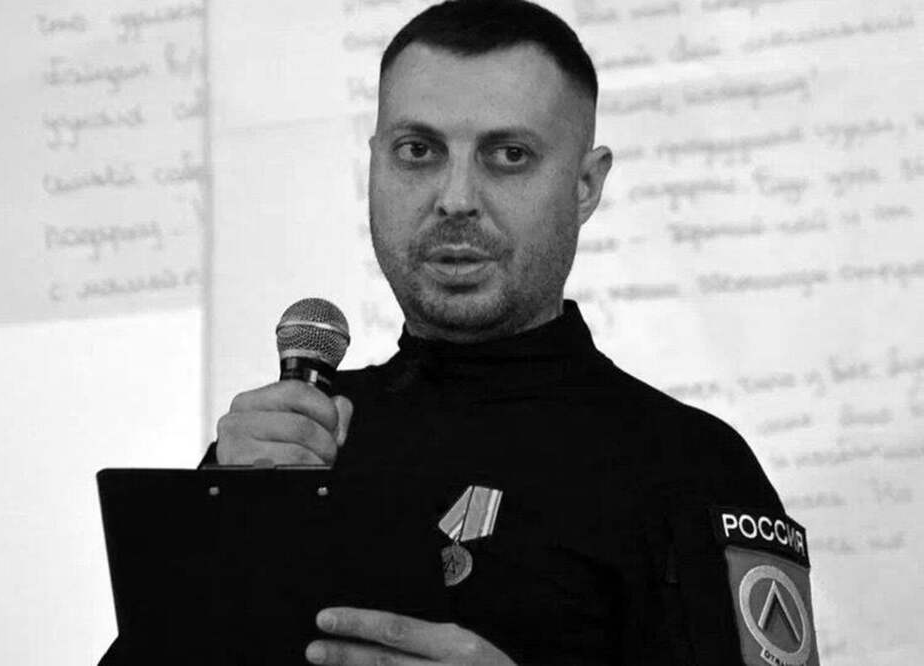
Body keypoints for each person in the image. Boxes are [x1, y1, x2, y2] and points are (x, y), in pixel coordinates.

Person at [209, 1, 820, 664]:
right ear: (376, 164)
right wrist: (207, 517)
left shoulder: (693, 466)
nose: (456, 198)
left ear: (585, 186)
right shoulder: (287, 446)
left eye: (508, 155)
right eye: (418, 151)